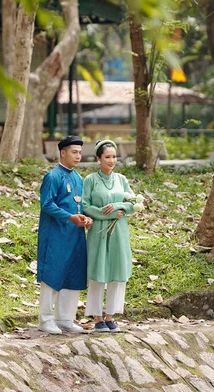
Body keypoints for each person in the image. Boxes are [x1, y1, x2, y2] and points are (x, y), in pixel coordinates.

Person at [37, 135, 93, 334]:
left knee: (73, 273)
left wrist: (86, 218)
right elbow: (47, 204)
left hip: (75, 234)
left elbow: (80, 204)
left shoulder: (78, 178)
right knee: (53, 273)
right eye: (74, 152)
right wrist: (70, 217)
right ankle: (45, 319)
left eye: (80, 152)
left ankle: (65, 319)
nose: (78, 156)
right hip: (55, 234)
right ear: (63, 152)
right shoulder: (52, 176)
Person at [82, 139, 135, 332]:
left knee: (117, 273)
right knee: (99, 272)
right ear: (98, 158)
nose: (112, 161)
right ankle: (97, 318)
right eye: (107, 157)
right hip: (98, 231)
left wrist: (120, 206)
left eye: (114, 157)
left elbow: (133, 203)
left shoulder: (121, 180)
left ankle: (111, 316)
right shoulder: (90, 180)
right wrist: (110, 213)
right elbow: (85, 206)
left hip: (119, 232)